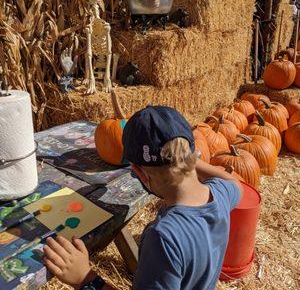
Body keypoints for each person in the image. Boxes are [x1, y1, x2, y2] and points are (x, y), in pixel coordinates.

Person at [43, 106, 243, 290]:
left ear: (140, 173)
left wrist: (85, 279)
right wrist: (187, 161)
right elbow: (235, 184)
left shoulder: (164, 237)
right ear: (191, 152)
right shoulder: (219, 194)